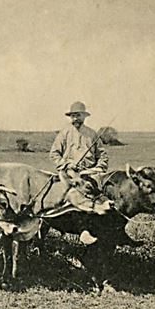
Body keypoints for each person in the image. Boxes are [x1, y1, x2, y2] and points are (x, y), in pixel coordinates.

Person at [50, 101, 109, 244]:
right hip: (69, 173)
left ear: (84, 116)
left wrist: (97, 168)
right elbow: (54, 154)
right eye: (73, 116)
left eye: (78, 115)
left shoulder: (92, 134)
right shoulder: (64, 133)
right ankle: (82, 230)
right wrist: (66, 164)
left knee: (100, 197)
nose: (76, 119)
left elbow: (103, 156)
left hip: (89, 173)